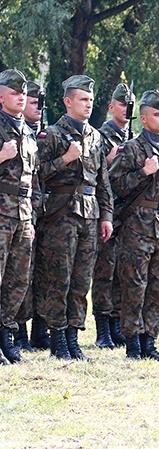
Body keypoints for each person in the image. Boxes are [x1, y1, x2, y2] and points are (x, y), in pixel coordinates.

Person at [37, 74, 114, 360]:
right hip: (61, 214)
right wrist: (66, 159)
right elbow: (37, 174)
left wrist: (106, 216)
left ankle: (73, 337)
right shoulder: (52, 135)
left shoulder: (96, 136)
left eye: (91, 100)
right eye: (83, 99)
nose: (88, 105)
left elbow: (103, 181)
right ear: (68, 102)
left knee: (82, 280)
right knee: (60, 278)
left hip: (90, 215)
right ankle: (57, 339)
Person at [109, 90, 159, 361]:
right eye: (157, 113)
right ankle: (132, 341)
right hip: (136, 226)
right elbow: (115, 184)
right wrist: (143, 172)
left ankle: (150, 340)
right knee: (134, 286)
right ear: (143, 118)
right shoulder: (132, 148)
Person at [0, 70, 41, 364]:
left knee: (18, 280)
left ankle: (6, 337)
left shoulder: (27, 129)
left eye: (23, 93)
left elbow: (33, 179)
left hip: (24, 214)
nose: (21, 97)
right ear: (1, 97)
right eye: (15, 93)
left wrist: (34, 214)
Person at [91, 83, 134, 349]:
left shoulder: (133, 137)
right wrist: (108, 160)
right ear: (112, 107)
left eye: (130, 105)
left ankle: (117, 323)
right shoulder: (102, 136)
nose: (126, 110)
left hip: (128, 215)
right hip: (108, 211)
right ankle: (102, 329)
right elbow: (96, 175)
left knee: (122, 273)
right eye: (122, 105)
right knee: (104, 273)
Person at [13, 80, 45, 352]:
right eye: (34, 102)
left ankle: (30, 332)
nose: (38, 108)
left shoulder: (33, 134)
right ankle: (15, 334)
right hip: (9, 215)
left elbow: (35, 181)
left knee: (29, 277)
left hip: (32, 216)